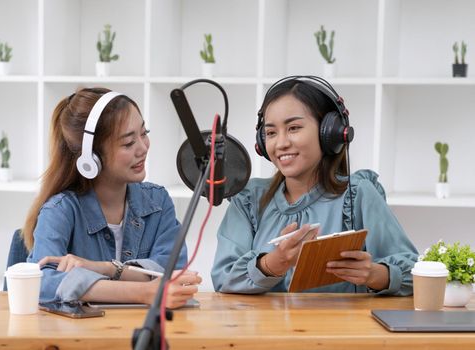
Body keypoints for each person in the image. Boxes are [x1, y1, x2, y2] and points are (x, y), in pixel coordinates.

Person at [211, 76, 418, 295]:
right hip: (266, 329)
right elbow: (223, 278)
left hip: (338, 329)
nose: (281, 143)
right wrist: (273, 264)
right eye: (271, 133)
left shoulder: (359, 194)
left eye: (294, 128)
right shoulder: (248, 199)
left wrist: (376, 275)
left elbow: (417, 274)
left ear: (329, 132)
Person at [22, 87, 201, 308]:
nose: (143, 148)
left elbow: (172, 273)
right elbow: (42, 284)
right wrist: (144, 292)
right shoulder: (60, 210)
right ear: (91, 158)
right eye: (128, 143)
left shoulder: (157, 202)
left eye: (144, 133)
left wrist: (102, 268)